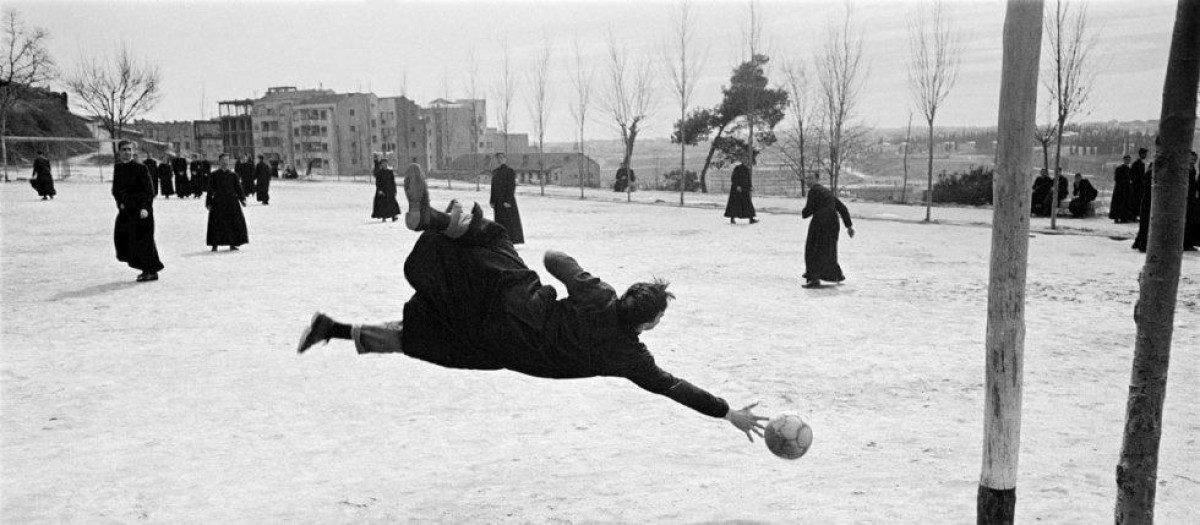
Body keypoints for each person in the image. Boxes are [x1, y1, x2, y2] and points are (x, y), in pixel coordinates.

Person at [297, 163, 769, 442]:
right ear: (649, 325)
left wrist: (581, 277)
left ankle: (440, 221)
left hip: (510, 300)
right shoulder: (630, 357)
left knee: (494, 240)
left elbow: (553, 257)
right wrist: (727, 412)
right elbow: (675, 387)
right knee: (419, 340)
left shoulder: (599, 296)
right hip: (497, 347)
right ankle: (334, 328)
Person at [111, 140, 164, 282]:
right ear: (119, 152)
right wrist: (120, 203)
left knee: (144, 241)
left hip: (142, 211)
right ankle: (144, 268)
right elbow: (115, 190)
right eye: (124, 149)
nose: (127, 152)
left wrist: (145, 208)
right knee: (126, 239)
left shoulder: (141, 168)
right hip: (127, 211)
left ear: (133, 151)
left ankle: (151, 271)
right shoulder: (118, 168)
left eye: (129, 149)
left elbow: (149, 190)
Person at [801, 174, 855, 288]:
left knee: (812, 248)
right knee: (828, 249)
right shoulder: (826, 192)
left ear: (816, 179)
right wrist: (849, 226)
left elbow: (808, 210)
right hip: (833, 223)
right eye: (806, 178)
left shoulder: (813, 191)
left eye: (810, 178)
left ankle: (814, 278)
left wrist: (804, 213)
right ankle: (835, 275)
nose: (807, 180)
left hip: (821, 222)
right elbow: (842, 208)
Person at [206, 153, 249, 251]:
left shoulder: (233, 175)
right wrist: (208, 202)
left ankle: (233, 243)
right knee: (216, 224)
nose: (225, 162)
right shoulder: (214, 175)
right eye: (223, 160)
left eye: (227, 160)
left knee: (233, 223)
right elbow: (210, 190)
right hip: (218, 203)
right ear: (219, 161)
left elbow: (238, 188)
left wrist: (242, 199)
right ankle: (215, 244)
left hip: (231, 202)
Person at [489, 152, 523, 244]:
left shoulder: (510, 171)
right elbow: (493, 187)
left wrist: (508, 201)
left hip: (507, 201)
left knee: (509, 221)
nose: (500, 160)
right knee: (499, 220)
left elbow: (511, 186)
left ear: (505, 159)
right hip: (497, 201)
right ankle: (501, 240)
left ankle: (511, 240)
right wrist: (492, 200)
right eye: (498, 158)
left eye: (501, 158)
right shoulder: (495, 172)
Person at [1109, 154, 1134, 223]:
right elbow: (1117, 178)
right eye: (1126, 159)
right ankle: (1117, 217)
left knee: (1124, 203)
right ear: (1124, 160)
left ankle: (1123, 217)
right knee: (1119, 203)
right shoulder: (1119, 168)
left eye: (1128, 160)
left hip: (1125, 189)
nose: (1127, 161)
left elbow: (1130, 178)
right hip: (1120, 189)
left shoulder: (1128, 169)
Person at [1130, 148, 1149, 223]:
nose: (1146, 155)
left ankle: (1135, 216)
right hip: (1137, 186)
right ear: (1141, 154)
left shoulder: (1140, 163)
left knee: (1138, 201)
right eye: (1145, 154)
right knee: (1136, 201)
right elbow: (1133, 175)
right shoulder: (1137, 164)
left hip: (1139, 186)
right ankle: (1134, 216)